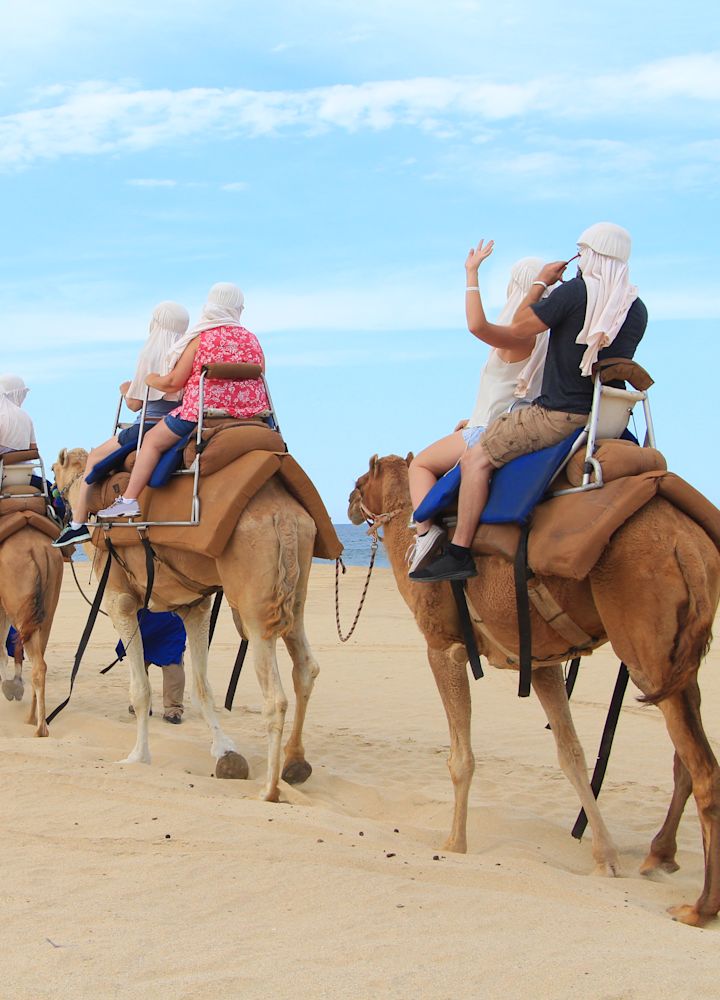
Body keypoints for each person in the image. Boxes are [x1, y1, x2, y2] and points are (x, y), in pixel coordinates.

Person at [411, 222, 648, 583]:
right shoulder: (636, 307)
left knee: (476, 459)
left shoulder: (574, 293)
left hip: (558, 416)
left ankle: (458, 552)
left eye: (582, 252)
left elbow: (521, 324)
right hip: (607, 418)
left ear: (593, 255)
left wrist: (540, 284)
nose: (579, 259)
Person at [406, 258, 552, 573]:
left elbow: (477, 326)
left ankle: (425, 535)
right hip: (513, 421)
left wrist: (471, 274)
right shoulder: (549, 336)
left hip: (489, 431)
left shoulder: (520, 336)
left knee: (419, 464)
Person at [95, 281, 270, 520]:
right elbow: (261, 373)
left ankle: (129, 499)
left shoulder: (201, 339)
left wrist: (151, 379)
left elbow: (173, 383)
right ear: (239, 308)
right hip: (254, 413)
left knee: (152, 441)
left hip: (203, 414)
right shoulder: (252, 340)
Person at [52, 301, 190, 548]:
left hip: (146, 425)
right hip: (179, 422)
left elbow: (136, 404)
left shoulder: (151, 351)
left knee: (94, 457)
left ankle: (78, 524)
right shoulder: (188, 349)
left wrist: (126, 390)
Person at [116, 610, 186, 724]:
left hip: (164, 618)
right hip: (146, 619)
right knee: (141, 664)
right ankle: (146, 703)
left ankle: (172, 708)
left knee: (171, 664)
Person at [0, 374, 36, 456]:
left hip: (3, 466)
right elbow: (33, 450)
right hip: (26, 467)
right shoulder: (26, 416)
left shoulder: (2, 415)